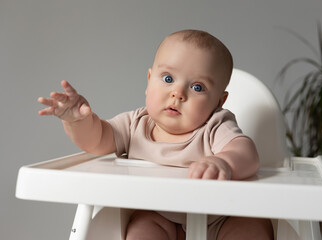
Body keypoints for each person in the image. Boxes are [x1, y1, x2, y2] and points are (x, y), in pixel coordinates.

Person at [38, 29, 273, 240]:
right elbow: (97, 140)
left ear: (218, 102)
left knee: (251, 227)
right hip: (159, 217)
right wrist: (79, 121)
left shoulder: (215, 125)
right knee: (141, 229)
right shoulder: (135, 124)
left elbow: (245, 151)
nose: (178, 93)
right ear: (149, 81)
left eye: (197, 87)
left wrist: (224, 162)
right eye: (168, 79)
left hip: (220, 218)